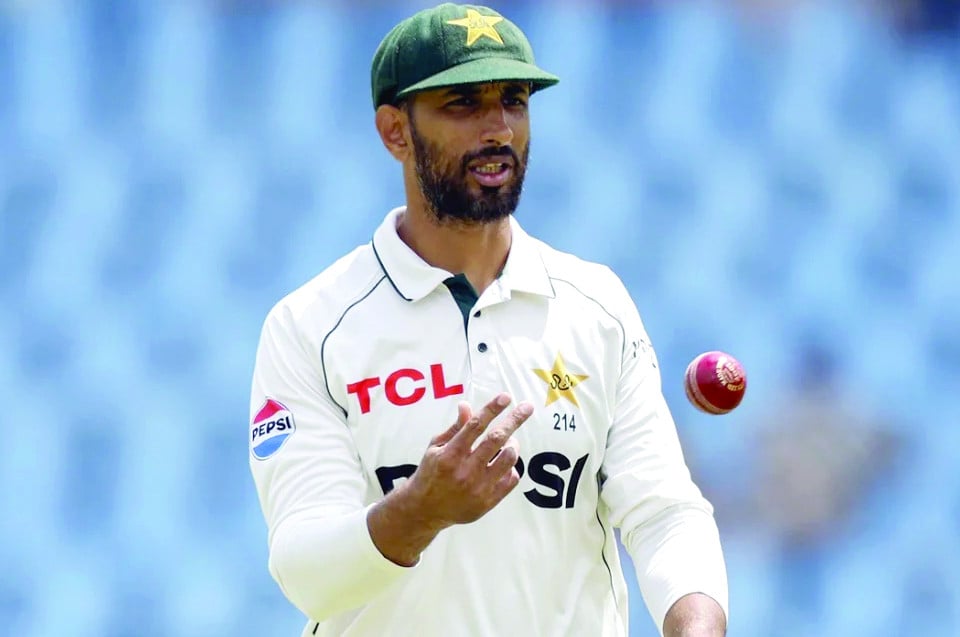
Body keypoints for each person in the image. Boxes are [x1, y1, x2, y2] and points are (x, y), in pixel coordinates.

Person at [248, 3, 728, 636]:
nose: (498, 127)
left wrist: (694, 623)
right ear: (395, 131)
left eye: (514, 100)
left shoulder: (597, 305)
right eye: (463, 104)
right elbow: (305, 571)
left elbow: (664, 511)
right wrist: (419, 511)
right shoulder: (310, 327)